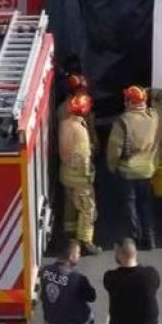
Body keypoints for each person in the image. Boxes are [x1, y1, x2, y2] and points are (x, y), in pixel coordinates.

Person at [106, 85, 161, 249]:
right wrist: (150, 90)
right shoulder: (154, 116)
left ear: (129, 101)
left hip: (128, 172)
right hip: (147, 171)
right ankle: (150, 239)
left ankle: (134, 239)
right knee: (146, 206)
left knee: (130, 206)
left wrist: (112, 166)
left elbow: (114, 149)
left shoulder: (123, 121)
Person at [59, 93, 99, 254]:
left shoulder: (64, 123)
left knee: (70, 207)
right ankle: (86, 241)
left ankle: (69, 236)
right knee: (87, 208)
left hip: (66, 174)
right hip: (79, 178)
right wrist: (88, 177)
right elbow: (84, 157)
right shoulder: (81, 131)